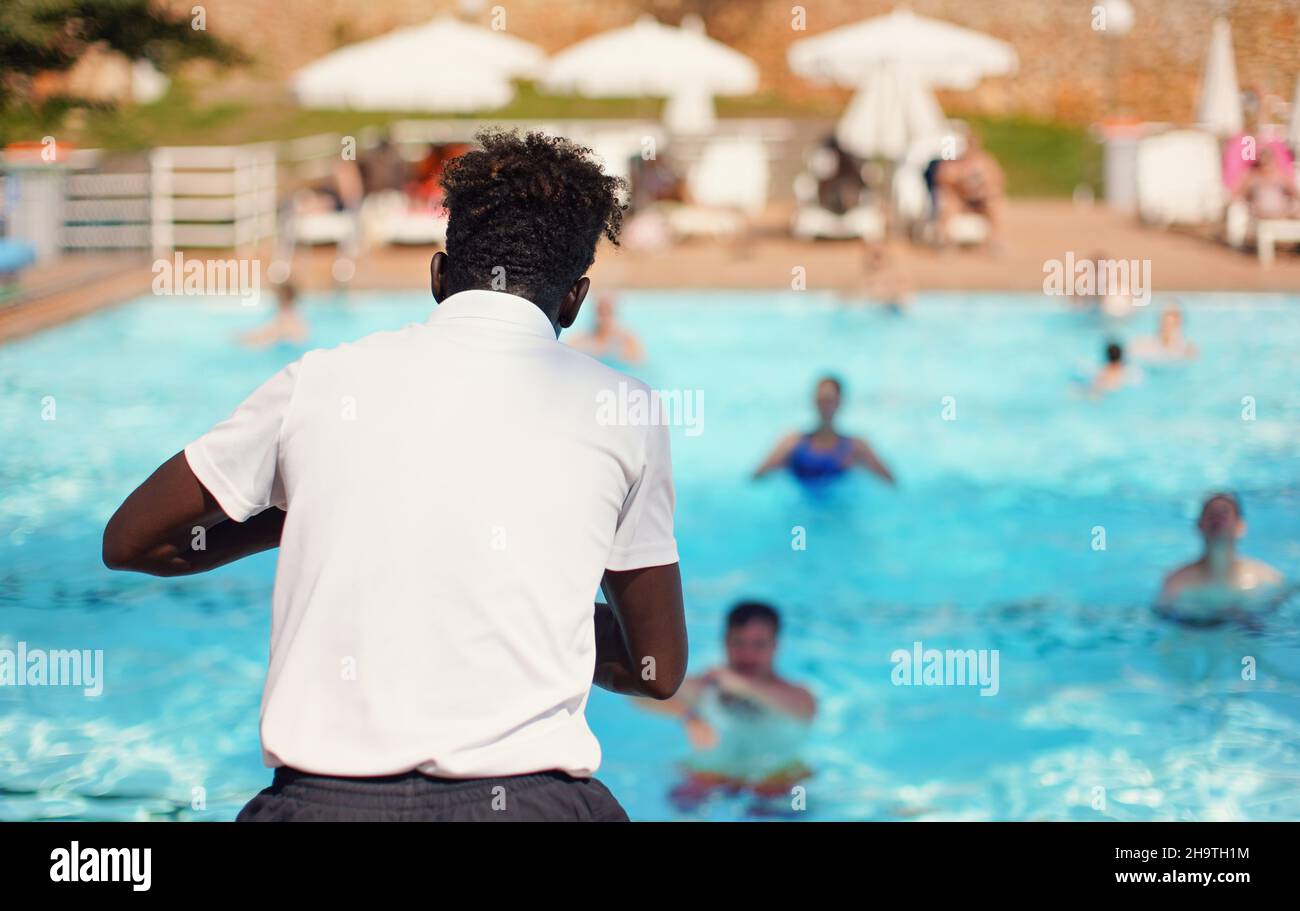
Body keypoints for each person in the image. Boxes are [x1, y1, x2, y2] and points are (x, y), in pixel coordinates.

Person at [102, 130, 688, 822]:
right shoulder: (625, 408)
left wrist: (292, 517)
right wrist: (528, 608)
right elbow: (658, 667)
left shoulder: (317, 382)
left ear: (438, 275)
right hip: (533, 804)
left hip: (323, 805)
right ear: (574, 300)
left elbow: (130, 539)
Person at [640, 601, 815, 811]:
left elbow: (806, 711)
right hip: (712, 777)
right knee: (683, 800)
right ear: (725, 642)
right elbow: (641, 695)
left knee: (795, 804)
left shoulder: (795, 694)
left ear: (775, 646)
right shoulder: (708, 688)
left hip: (774, 781)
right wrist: (688, 715)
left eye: (759, 644)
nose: (747, 654)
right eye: (738, 642)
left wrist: (742, 685)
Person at [1157, 493, 1284, 622]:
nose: (1217, 518)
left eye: (1224, 512)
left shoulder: (1268, 577)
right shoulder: (1175, 583)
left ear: (1241, 527)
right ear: (1199, 526)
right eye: (1211, 514)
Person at [754, 376, 895, 486]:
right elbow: (757, 476)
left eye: (829, 400)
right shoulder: (792, 443)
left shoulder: (856, 447)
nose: (825, 406)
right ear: (813, 401)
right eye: (821, 400)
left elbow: (890, 481)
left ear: (839, 402)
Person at [933, 131, 1005, 251]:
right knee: (948, 204)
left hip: (979, 199)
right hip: (959, 198)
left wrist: (984, 186)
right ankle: (946, 242)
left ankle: (995, 242)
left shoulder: (985, 160)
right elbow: (942, 178)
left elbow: (998, 179)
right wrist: (960, 181)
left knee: (994, 203)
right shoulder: (952, 160)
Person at [565, 293, 645, 365]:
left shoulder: (627, 340)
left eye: (607, 312)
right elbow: (567, 356)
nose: (603, 318)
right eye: (600, 311)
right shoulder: (581, 338)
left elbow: (639, 362)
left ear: (613, 313)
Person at [1232, 146, 1300, 220]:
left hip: (1281, 217)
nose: (1266, 166)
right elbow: (1238, 195)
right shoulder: (1253, 176)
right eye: (1263, 162)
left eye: (1268, 161)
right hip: (1259, 218)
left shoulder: (1280, 176)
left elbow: (1295, 193)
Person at [239, 281, 308, 349]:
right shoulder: (297, 314)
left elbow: (271, 335)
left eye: (278, 297)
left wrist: (249, 340)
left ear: (282, 298)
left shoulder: (286, 317)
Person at [1130, 304, 1198, 361]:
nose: (1168, 327)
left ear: (1179, 324)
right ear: (1159, 322)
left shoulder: (1188, 350)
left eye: (1172, 324)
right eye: (1166, 323)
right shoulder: (1143, 345)